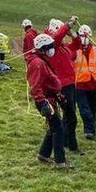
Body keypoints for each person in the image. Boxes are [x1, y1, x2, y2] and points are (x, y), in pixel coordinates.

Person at [26, 34, 72, 170]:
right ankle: (60, 161)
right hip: (46, 101)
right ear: (44, 47)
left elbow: (47, 82)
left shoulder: (41, 60)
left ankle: (43, 154)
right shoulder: (38, 63)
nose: (53, 49)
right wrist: (43, 102)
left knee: (53, 128)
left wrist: (58, 94)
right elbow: (36, 86)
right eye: (51, 46)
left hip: (51, 98)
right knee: (58, 128)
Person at [45, 17, 83, 156]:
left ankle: (66, 141)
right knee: (70, 116)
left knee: (68, 115)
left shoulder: (62, 47)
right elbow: (56, 38)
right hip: (62, 85)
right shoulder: (50, 45)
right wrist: (67, 26)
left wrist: (74, 35)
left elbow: (76, 46)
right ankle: (72, 145)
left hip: (70, 84)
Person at [71, 25, 96, 140]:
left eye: (86, 36)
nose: (84, 38)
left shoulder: (95, 50)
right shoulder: (75, 49)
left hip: (92, 84)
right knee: (84, 109)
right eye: (82, 36)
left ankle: (90, 130)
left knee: (92, 108)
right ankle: (90, 129)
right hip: (79, 85)